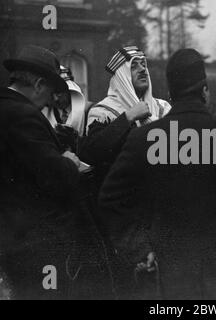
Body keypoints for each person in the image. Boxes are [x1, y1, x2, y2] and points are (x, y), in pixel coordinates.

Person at [98, 48, 216, 300]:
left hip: (168, 269)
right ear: (205, 91)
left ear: (171, 93)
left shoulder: (144, 138)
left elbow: (110, 199)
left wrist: (140, 249)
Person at [0, 45, 82, 299]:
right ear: (37, 84)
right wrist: (69, 160)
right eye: (50, 92)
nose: (50, 101)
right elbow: (55, 175)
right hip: (32, 245)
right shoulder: (23, 115)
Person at [79, 46, 171, 185]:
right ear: (123, 77)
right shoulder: (103, 111)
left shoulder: (163, 107)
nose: (142, 69)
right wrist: (128, 117)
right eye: (134, 66)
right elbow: (93, 152)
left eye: (143, 64)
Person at [42, 66, 87, 152]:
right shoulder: (44, 113)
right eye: (51, 94)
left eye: (59, 93)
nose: (56, 99)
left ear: (70, 91)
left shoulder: (88, 111)